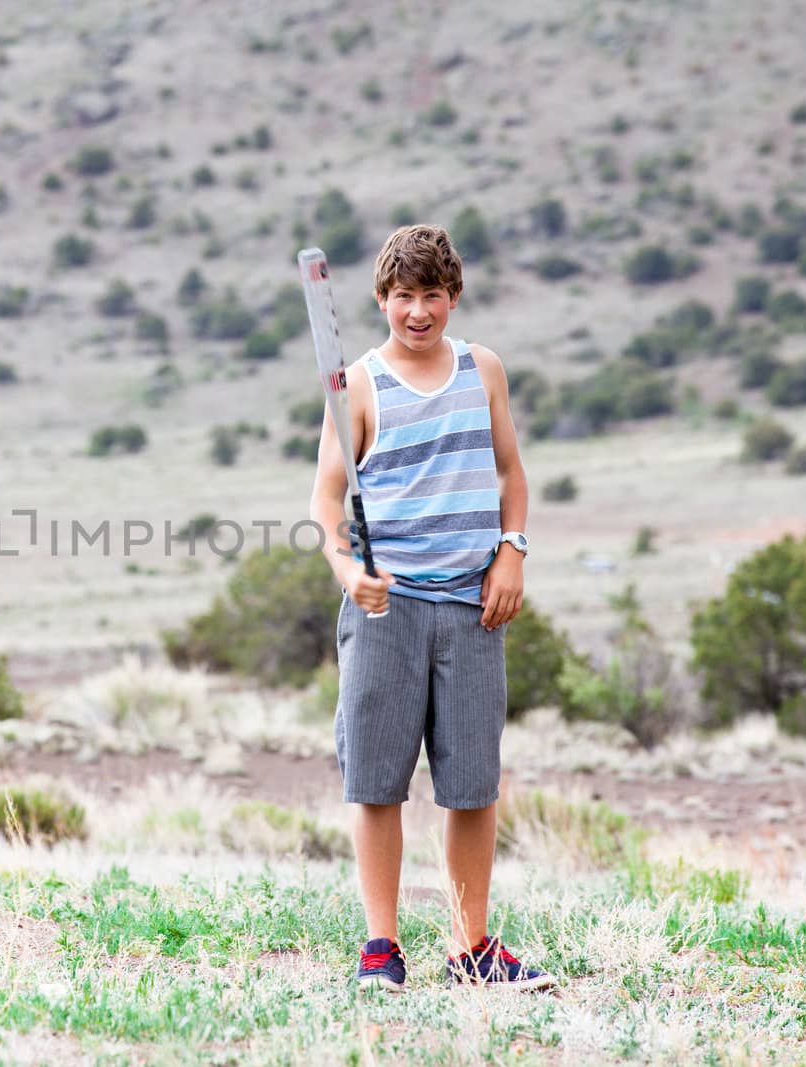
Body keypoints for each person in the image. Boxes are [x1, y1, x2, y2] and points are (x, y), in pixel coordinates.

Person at [307, 224, 553, 992]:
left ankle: (470, 947)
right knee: (377, 782)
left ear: (453, 297)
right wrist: (348, 570)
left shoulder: (484, 370)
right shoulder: (357, 387)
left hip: (474, 610)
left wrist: (511, 550)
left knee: (472, 785)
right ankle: (381, 946)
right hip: (388, 612)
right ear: (382, 299)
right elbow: (325, 497)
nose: (419, 311)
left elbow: (512, 473)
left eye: (433, 296)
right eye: (404, 297)